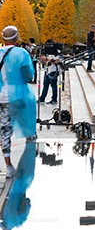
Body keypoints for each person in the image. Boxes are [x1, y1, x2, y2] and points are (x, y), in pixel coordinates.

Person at [0, 26, 36, 178]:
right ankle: (28, 165)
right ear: (16, 38)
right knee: (30, 132)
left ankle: (8, 166)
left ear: (3, 39)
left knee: (4, 132)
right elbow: (29, 75)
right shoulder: (22, 53)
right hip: (21, 97)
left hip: (2, 98)